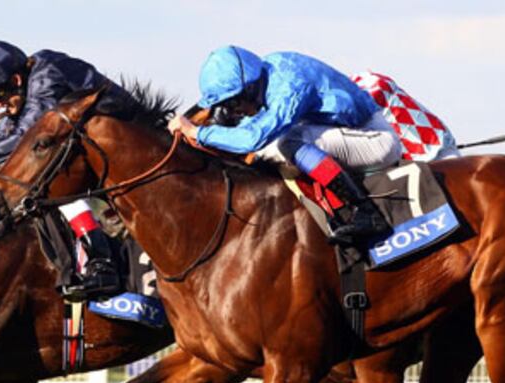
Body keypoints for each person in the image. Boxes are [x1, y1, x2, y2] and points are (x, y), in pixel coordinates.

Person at [0, 40, 124, 301]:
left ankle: (101, 261)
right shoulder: (27, 87)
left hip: (126, 142)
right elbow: (10, 129)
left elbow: (27, 136)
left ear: (17, 79)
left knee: (49, 185)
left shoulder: (46, 77)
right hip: (97, 151)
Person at [168, 46, 402, 246]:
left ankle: (366, 211)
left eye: (232, 102)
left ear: (248, 88)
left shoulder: (290, 85)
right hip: (340, 131)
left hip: (375, 139)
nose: (234, 110)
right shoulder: (264, 73)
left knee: (290, 141)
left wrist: (196, 132)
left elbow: (252, 138)